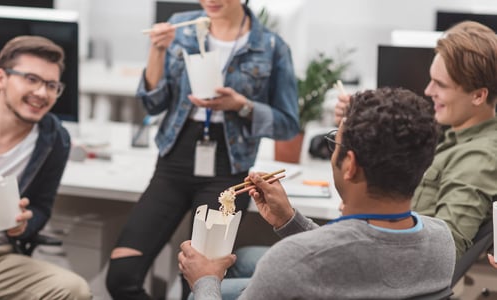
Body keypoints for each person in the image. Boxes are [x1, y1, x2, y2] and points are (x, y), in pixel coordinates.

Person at [178, 87, 455, 299]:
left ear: (350, 164)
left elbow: (326, 255)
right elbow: (349, 258)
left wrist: (204, 280)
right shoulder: (441, 241)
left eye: (335, 141)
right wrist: (289, 219)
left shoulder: (290, 261)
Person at [105, 0, 299, 298]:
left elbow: (287, 125)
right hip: (173, 161)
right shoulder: (180, 29)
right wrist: (157, 50)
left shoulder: (272, 46)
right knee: (121, 276)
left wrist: (241, 106)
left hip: (227, 171)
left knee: (197, 284)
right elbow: (153, 103)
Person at [335, 21, 497, 260]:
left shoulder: (478, 158)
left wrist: (370, 215)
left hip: (389, 273)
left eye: (440, 85)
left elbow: (444, 253)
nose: (428, 90)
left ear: (478, 95)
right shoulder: (455, 134)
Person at [0, 35, 91, 299]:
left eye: (51, 85)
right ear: (0, 78)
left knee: (74, 290)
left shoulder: (55, 139)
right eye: (31, 79)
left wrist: (24, 226)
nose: (42, 93)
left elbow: (41, 208)